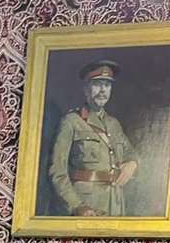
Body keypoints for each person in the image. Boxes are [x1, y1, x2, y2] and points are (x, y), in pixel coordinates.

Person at [48, 60, 138, 217]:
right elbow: (57, 172)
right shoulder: (71, 121)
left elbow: (130, 152)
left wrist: (132, 163)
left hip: (115, 204)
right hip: (87, 206)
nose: (103, 90)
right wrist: (77, 206)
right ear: (86, 89)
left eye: (107, 85)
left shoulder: (114, 124)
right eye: (97, 84)